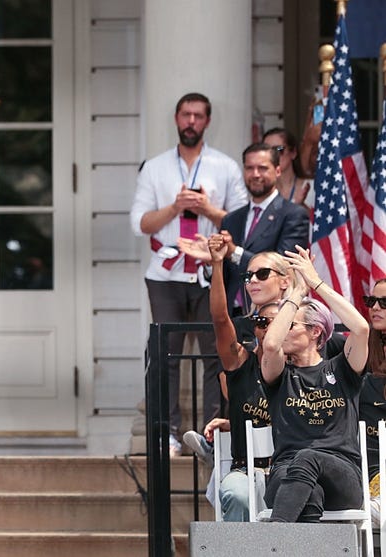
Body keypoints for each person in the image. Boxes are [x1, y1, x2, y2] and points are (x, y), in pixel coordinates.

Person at [130, 92, 248, 454]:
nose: (191, 121)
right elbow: (140, 223)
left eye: (198, 115)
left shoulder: (224, 166)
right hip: (166, 274)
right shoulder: (156, 167)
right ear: (176, 119)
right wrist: (175, 207)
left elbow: (243, 221)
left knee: (216, 353)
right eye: (186, 115)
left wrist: (209, 209)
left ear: (207, 121)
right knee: (164, 352)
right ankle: (166, 432)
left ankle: (213, 432)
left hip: (210, 272)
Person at [259, 246, 369, 522]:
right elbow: (270, 344)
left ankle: (270, 543)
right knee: (309, 495)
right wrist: (295, 295)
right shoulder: (281, 375)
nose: (282, 331)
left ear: (315, 331)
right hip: (287, 474)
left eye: (290, 325)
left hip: (342, 475)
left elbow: (361, 328)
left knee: (308, 457)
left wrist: (316, 283)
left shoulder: (342, 369)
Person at [191, 243, 286, 520]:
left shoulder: (303, 366)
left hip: (290, 467)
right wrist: (217, 264)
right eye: (258, 322)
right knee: (236, 493)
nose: (264, 327)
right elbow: (220, 319)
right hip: (246, 468)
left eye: (274, 322)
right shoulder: (242, 361)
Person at [216, 143, 309, 318]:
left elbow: (282, 266)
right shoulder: (231, 219)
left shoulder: (294, 215)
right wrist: (211, 261)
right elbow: (225, 275)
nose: (255, 174)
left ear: (278, 171)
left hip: (272, 315)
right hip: (232, 316)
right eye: (250, 168)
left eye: (263, 168)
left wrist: (235, 252)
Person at [360, 279, 386, 523]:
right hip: (366, 464)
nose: (376, 307)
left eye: (384, 302)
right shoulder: (361, 348)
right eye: (371, 301)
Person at [262, 127, 312, 208]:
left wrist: (302, 206)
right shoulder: (262, 191)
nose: (272, 155)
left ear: (293, 153)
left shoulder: (313, 188)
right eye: (266, 151)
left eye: (278, 149)